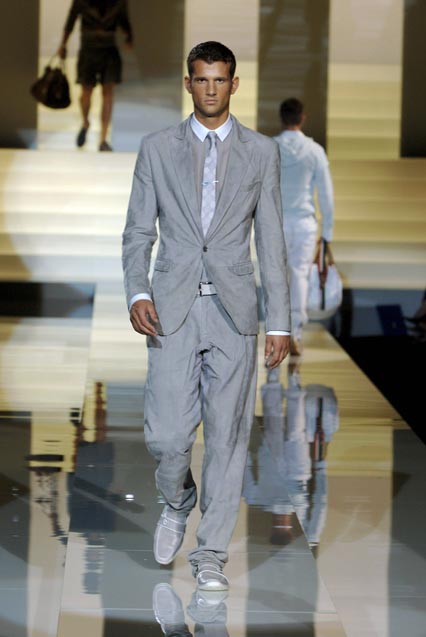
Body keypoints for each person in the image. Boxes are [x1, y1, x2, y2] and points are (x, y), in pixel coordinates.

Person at [122, 41, 291, 592]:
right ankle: (177, 500)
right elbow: (138, 230)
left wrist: (280, 321)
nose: (211, 89)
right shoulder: (156, 148)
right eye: (202, 79)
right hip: (171, 308)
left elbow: (272, 240)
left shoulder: (262, 152)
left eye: (220, 79)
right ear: (188, 83)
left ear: (234, 84)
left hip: (233, 312)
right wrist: (137, 291)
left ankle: (211, 553)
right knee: (167, 436)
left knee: (228, 438)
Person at [274, 98, 334, 356]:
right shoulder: (315, 151)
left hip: (275, 222)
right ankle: (296, 333)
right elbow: (327, 196)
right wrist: (327, 235)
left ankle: (276, 332)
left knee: (276, 277)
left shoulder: (269, 148)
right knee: (299, 275)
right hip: (304, 223)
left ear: (281, 118)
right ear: (303, 118)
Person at [57, 0, 133, 151]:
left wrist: (129, 36)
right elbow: (70, 21)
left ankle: (103, 138)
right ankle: (85, 122)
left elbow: (124, 21)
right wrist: (63, 44)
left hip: (108, 49)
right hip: (89, 49)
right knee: (86, 93)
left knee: (107, 93)